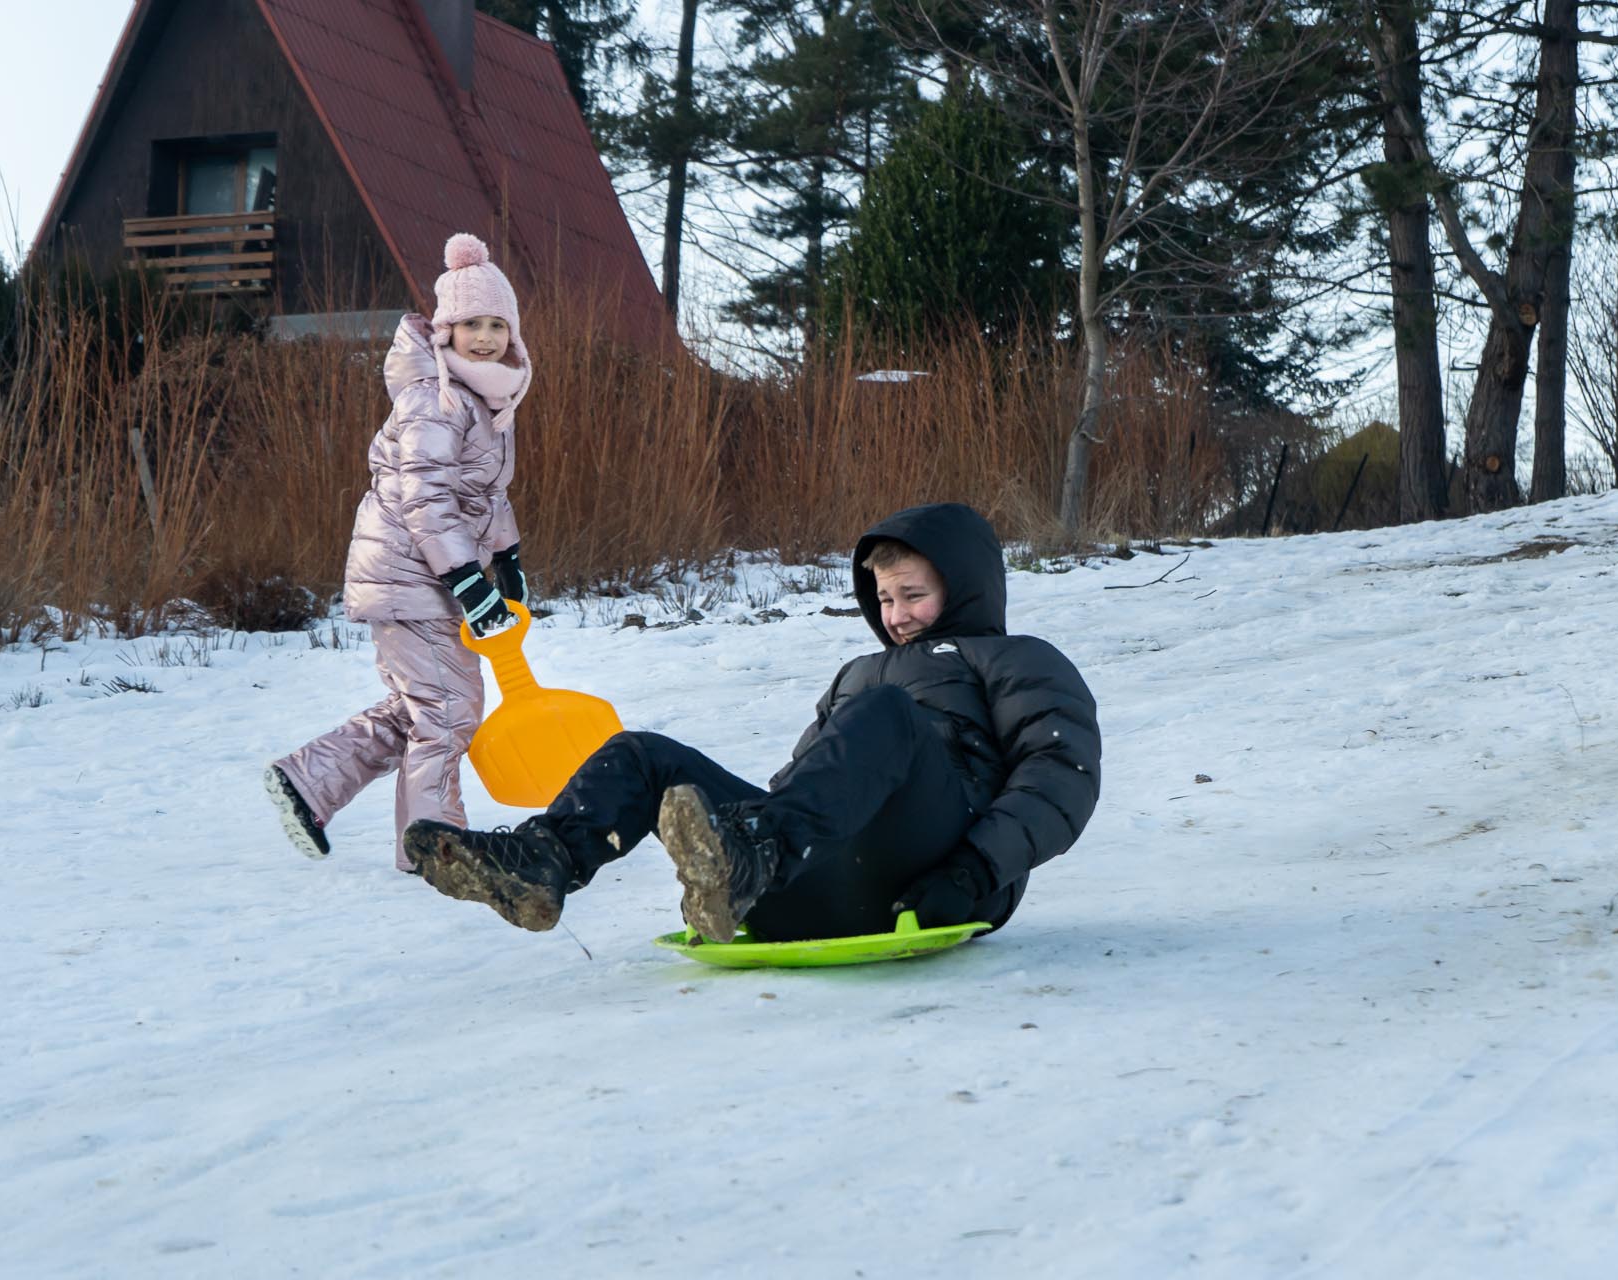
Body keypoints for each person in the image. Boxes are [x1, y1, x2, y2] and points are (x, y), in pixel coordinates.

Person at [402, 502, 1101, 942]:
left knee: (887, 712)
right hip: (820, 879)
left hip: (941, 871)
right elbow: (808, 784)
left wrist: (976, 872)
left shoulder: (1017, 660)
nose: (895, 615)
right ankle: (544, 863)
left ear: (965, 585)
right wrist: (733, 829)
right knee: (642, 753)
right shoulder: (858, 674)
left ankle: (755, 857)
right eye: (885, 598)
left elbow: (1059, 773)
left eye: (912, 594)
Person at [264, 233, 533, 872]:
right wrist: (468, 580)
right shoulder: (434, 398)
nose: (485, 337)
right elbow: (426, 499)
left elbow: (484, 497)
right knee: (448, 711)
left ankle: (311, 782)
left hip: (427, 575)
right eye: (471, 324)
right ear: (446, 330)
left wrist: (508, 559)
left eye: (497, 325)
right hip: (411, 574)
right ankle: (438, 849)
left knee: (426, 705)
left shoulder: (486, 398)